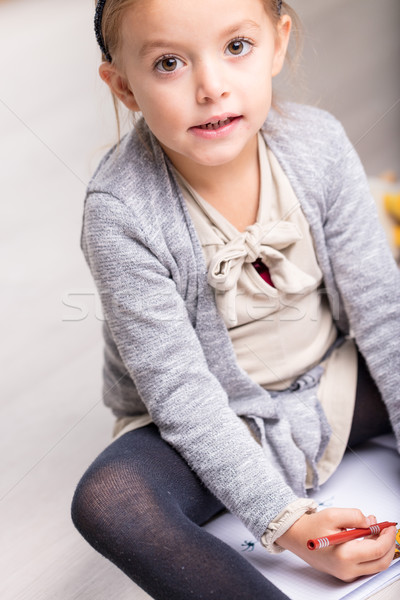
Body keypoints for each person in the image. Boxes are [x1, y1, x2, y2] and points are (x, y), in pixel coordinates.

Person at [71, 0, 400, 598]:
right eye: (169, 62)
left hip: (333, 383)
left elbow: (382, 312)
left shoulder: (318, 145)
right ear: (124, 86)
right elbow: (183, 395)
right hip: (210, 419)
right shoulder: (119, 214)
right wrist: (290, 524)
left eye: (237, 47)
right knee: (110, 501)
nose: (212, 87)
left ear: (277, 43)